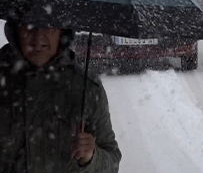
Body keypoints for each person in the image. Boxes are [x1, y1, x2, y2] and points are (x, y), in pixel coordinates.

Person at [0, 20, 121, 172]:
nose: (38, 39)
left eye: (48, 26)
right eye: (28, 25)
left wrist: (91, 157)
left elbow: (112, 162)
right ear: (15, 29)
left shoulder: (86, 88)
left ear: (62, 31)